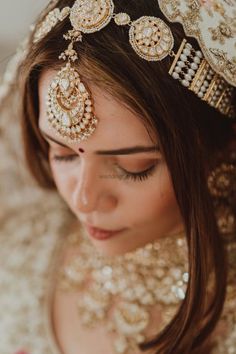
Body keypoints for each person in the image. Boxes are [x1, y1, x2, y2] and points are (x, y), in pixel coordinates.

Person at [0, 0, 235, 353]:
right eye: (62, 154)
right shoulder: (21, 241)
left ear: (220, 150)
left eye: (134, 168)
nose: (83, 200)